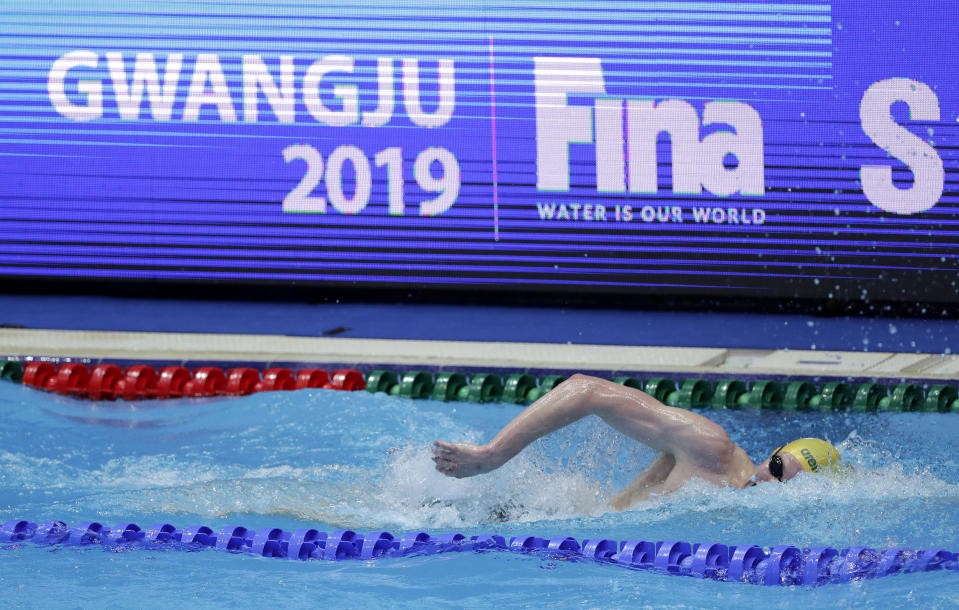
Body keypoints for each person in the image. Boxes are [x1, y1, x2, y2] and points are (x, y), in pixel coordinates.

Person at [432, 374, 842, 510]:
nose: (771, 484)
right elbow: (586, 389)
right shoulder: (711, 449)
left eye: (787, 486)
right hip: (533, 520)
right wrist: (493, 455)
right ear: (771, 457)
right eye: (777, 469)